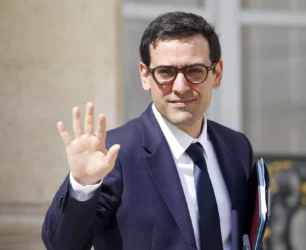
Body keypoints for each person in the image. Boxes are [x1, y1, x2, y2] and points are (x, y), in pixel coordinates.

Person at [42, 11, 258, 250]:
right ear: (145, 76)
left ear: (217, 74)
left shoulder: (236, 147)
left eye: (195, 71)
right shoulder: (115, 154)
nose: (180, 87)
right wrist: (82, 185)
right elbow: (62, 245)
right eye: (165, 72)